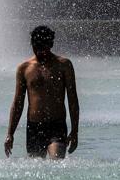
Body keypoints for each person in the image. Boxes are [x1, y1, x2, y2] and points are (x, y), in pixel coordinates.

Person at [5, 25, 79, 159]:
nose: (40, 52)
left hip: (57, 125)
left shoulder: (64, 65)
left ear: (50, 45)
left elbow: (72, 100)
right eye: (37, 48)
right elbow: (18, 103)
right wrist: (10, 133)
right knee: (36, 168)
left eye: (44, 48)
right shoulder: (24, 68)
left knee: (56, 162)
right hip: (34, 126)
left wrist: (75, 131)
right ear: (32, 45)